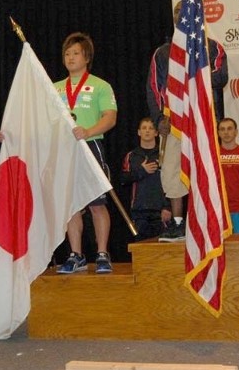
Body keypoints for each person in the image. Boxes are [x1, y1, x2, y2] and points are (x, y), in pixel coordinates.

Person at [146, 1, 228, 241]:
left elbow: (221, 76)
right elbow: (153, 87)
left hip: (204, 123)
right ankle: (178, 224)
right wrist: (159, 117)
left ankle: (207, 220)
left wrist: (191, 71)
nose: (183, 16)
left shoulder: (213, 48)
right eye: (178, 13)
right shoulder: (163, 53)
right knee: (172, 171)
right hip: (174, 124)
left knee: (205, 170)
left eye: (188, 12)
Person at [54, 32, 117, 274]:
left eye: (75, 53)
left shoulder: (101, 85)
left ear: (86, 57)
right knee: (70, 205)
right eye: (67, 54)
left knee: (97, 203)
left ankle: (102, 253)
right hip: (64, 150)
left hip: (91, 146)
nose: (70, 58)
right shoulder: (55, 88)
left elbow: (110, 118)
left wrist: (88, 131)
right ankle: (76, 254)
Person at [120, 117, 171, 241]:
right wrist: (141, 171)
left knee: (162, 253)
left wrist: (167, 207)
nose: (147, 131)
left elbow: (172, 183)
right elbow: (123, 179)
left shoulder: (165, 154)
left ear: (156, 133)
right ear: (139, 132)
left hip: (160, 211)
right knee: (141, 251)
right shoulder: (131, 156)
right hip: (139, 211)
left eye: (151, 128)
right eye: (144, 128)